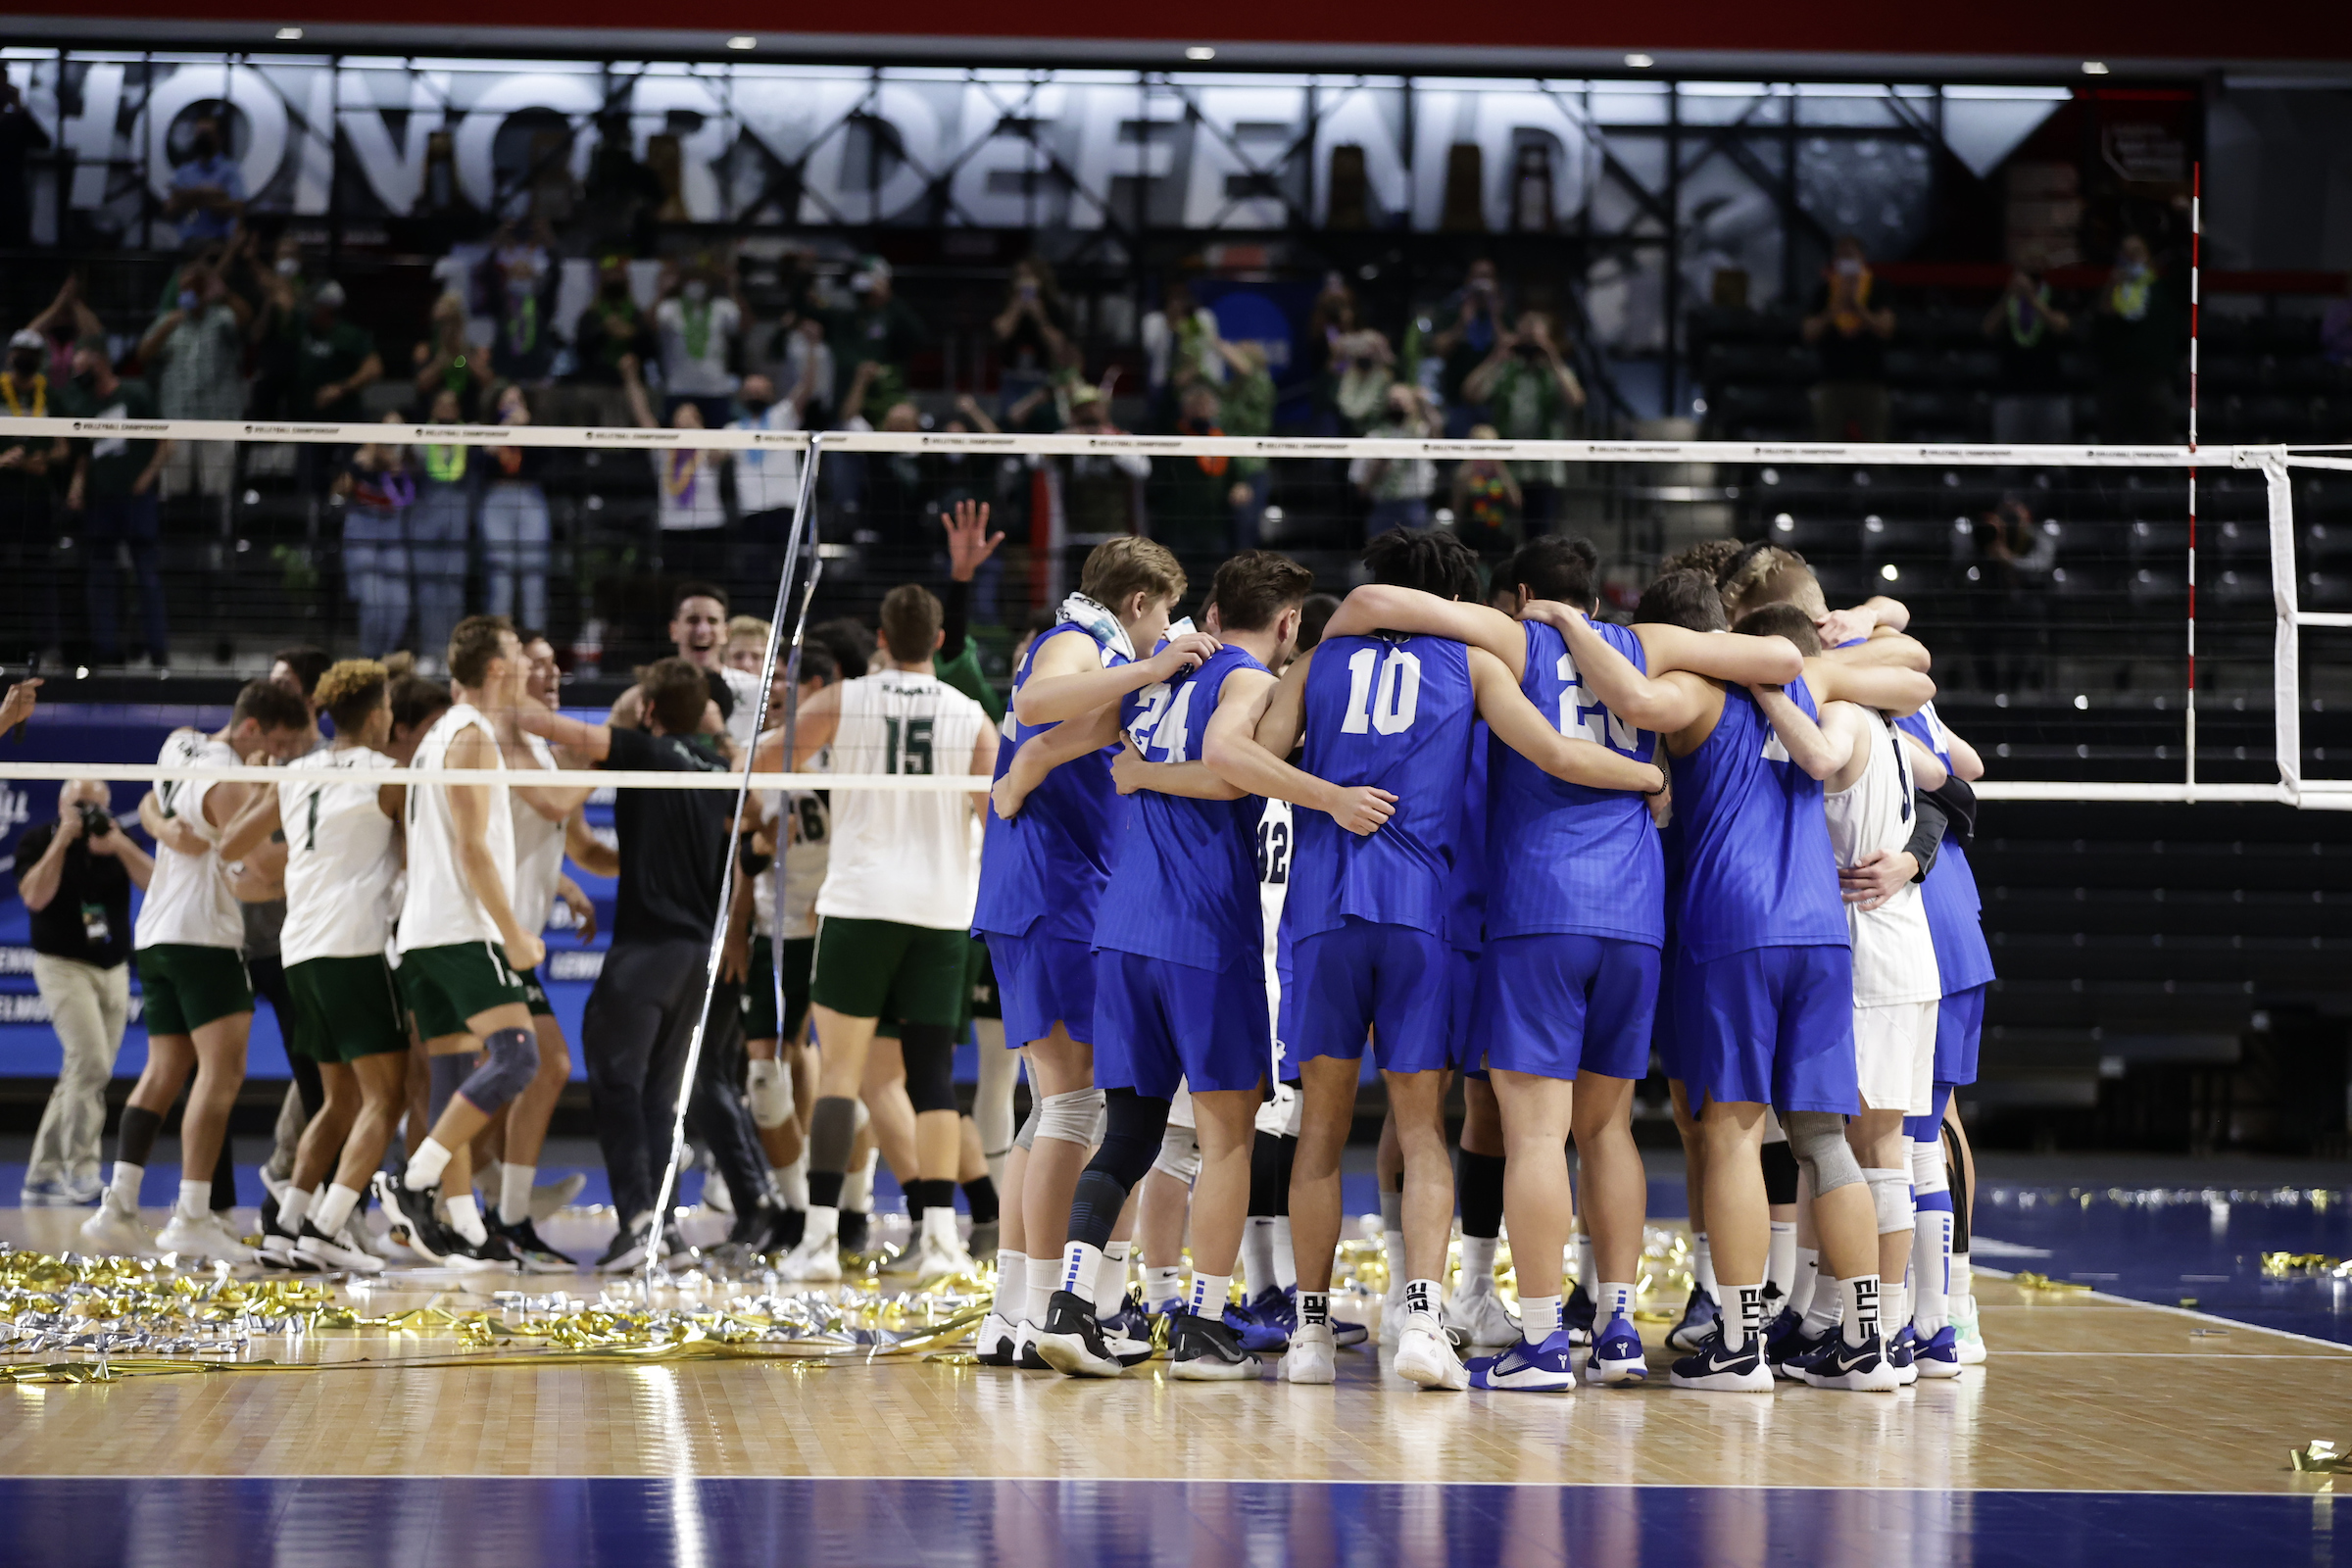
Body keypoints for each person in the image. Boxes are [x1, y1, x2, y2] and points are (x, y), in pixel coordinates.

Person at [1319, 538, 1807, 1390]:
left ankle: (1543, 1341)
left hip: (1539, 909)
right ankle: (1618, 1328)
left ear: (1525, 593)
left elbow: (1366, 608)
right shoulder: (1650, 645)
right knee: (1609, 1128)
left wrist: (1536, 622)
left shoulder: (1513, 639)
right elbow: (1782, 653)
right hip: (1634, 912)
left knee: (1536, 1133)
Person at [1228, 527, 1667, 1390]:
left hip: (1323, 913)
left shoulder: (1319, 660)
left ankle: (1312, 1337)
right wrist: (1650, 780)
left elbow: (1243, 758)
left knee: (1318, 1128)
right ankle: (1424, 1319)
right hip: (1422, 918)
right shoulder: (1473, 665)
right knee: (1424, 1127)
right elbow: (1551, 751)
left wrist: (1327, 796)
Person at [1560, 577, 1933, 1393]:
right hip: (1822, 930)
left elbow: (1624, 692)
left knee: (1730, 1133)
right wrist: (1858, 627)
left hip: (1735, 930)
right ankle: (1870, 1340)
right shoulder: (1811, 677)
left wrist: (1563, 622)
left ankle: (1740, 1344)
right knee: (1824, 1139)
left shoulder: (1692, 692)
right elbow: (1914, 674)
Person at [998, 552, 1321, 1381]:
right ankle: (1204, 1326)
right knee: (1224, 1141)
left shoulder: (1146, 681)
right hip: (1203, 936)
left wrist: (1028, 772)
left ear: (1210, 612)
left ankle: (1067, 1306)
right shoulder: (1250, 681)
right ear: (1287, 624)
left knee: (1128, 1132)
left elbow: (1055, 739)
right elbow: (1227, 763)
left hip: (1120, 933)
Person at [970, 538, 1214, 1363]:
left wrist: (1033, 763)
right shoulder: (1081, 639)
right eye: (1165, 614)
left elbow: (1050, 738)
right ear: (1140, 601)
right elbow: (1041, 700)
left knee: (1054, 1108)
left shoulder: (1104, 660)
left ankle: (1013, 1312)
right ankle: (1045, 1311)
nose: (1168, 632)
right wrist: (1150, 670)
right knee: (1077, 1107)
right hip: (1053, 894)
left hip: (1051, 892)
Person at [760, 584, 998, 1286]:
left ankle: (821, 1241)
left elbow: (774, 756)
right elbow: (995, 818)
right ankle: (942, 1240)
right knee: (931, 1079)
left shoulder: (847, 698)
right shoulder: (969, 714)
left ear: (881, 639)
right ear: (940, 635)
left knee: (841, 1074)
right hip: (939, 911)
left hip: (860, 903)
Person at [514, 655, 780, 1270]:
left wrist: (507, 707)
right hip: (697, 959)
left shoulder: (644, 750)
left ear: (651, 712)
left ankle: (637, 1223)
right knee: (662, 1100)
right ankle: (667, 1230)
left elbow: (573, 735)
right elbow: (760, 828)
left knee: (616, 1085)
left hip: (645, 952)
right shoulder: (720, 766)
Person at [78, 679, 313, 1261]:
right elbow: (260, 867)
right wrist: (312, 840)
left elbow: (159, 808)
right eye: (280, 742)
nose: (283, 755)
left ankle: (118, 1205)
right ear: (254, 727)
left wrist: (162, 828)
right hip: (205, 935)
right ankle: (191, 1214)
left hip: (157, 928)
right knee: (222, 1074)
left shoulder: (180, 743)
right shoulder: (229, 780)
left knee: (165, 1069)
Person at [213, 661, 411, 1273]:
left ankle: (288, 1225)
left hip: (300, 948)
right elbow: (418, 852)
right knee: (388, 1097)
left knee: (339, 1097)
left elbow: (230, 845)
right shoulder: (390, 775)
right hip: (354, 945)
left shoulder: (296, 773)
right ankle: (327, 1229)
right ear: (378, 714)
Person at [370, 616, 550, 1270]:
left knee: (450, 1078)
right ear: (497, 669)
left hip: (422, 931)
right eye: (519, 658)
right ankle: (413, 1179)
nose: (529, 668)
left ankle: (464, 1227)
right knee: (519, 1057)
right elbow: (473, 850)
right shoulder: (470, 736)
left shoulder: (436, 736)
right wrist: (515, 936)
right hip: (459, 930)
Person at [16, 780, 150, 1206]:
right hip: (61, 964)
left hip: (111, 967)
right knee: (89, 1062)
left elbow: (154, 881)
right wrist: (62, 842)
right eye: (80, 805)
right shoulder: (39, 839)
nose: (88, 812)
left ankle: (42, 1174)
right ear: (61, 804)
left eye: (97, 806)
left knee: (86, 1071)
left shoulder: (116, 838)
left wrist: (120, 847)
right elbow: (35, 897)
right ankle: (83, 1168)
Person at [57, 335, 172, 665]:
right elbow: (82, 456)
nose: (79, 375)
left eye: (83, 367)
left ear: (100, 362)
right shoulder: (84, 404)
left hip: (137, 501)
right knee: (101, 578)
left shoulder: (135, 393)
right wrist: (77, 486)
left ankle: (157, 651)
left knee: (147, 576)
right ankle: (106, 651)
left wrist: (147, 477)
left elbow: (167, 441)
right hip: (99, 503)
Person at [137, 253, 251, 510]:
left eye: (193, 286)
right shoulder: (170, 320)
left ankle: (218, 544)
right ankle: (172, 543)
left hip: (219, 416)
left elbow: (246, 318)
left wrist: (222, 293)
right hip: (178, 415)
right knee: (174, 491)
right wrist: (167, 326)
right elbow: (143, 354)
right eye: (183, 287)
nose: (187, 291)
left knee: (217, 493)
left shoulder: (221, 316)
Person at [1461, 312, 1585, 533]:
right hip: (1505, 469)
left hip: (1544, 469)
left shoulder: (1554, 372)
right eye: (1525, 339)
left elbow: (1575, 400)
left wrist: (1553, 358)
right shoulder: (1506, 370)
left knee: (1540, 537)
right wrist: (1497, 357)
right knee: (1498, 533)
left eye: (1535, 341)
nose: (1530, 346)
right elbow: (1471, 393)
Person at [611, 583, 763, 751]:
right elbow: (600, 754)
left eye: (712, 621)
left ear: (726, 632)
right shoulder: (643, 694)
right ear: (674, 630)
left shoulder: (757, 690)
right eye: (693, 620)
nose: (702, 630)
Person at [0, 327, 65, 659]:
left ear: (40, 360)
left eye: (32, 353)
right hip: (1, 494)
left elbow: (65, 447)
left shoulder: (51, 395)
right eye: (19, 351)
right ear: (10, 354)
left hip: (37, 499)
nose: (24, 358)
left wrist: (46, 458)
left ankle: (48, 647)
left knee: (40, 571)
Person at [1803, 235, 1896, 443]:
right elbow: (1809, 332)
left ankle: (1877, 477)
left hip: (1871, 382)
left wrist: (1857, 307)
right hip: (1831, 382)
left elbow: (1886, 329)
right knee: (1827, 447)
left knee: (1877, 446)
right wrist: (1835, 308)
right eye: (1842, 256)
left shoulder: (1878, 289)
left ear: (1861, 257)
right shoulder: (1824, 291)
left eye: (1851, 256)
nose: (1846, 261)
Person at [334, 417, 415, 658]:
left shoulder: (408, 458)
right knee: (373, 603)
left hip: (393, 532)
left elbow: (408, 496)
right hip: (362, 528)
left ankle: (387, 657)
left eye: (399, 427)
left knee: (400, 604)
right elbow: (338, 492)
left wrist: (393, 466)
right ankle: (369, 657)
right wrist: (356, 467)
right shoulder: (360, 459)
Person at [409, 388, 476, 670]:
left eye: (452, 405)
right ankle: (430, 651)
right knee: (428, 589)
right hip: (427, 517)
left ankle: (451, 655)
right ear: (434, 409)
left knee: (453, 589)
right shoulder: (420, 437)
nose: (446, 410)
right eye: (441, 404)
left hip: (458, 518)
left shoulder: (471, 435)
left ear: (458, 410)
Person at [2090, 234, 2180, 445]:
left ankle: (2160, 479)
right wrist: (2112, 286)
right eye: (2126, 253)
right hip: (2117, 379)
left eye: (2136, 252)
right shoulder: (2113, 290)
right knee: (2112, 443)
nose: (2131, 258)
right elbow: (2101, 323)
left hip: (2154, 378)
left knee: (2159, 441)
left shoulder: (2162, 289)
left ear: (2148, 257)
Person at [481, 385, 551, 631]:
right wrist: (506, 427)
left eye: (518, 400)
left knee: (534, 572)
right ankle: (499, 641)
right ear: (496, 406)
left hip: (529, 496)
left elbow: (546, 461)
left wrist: (527, 429)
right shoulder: (485, 431)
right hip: (497, 498)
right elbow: (483, 461)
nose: (513, 405)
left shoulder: (535, 430)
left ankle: (535, 639)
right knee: (501, 575)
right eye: (507, 401)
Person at [1983, 269, 2074, 445]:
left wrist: (2032, 298)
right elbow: (1987, 329)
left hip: (2050, 390)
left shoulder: (2054, 294)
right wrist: (2009, 296)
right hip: (2010, 390)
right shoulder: (2006, 296)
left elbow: (2062, 327)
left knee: (2056, 461)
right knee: (2007, 462)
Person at [653, 258, 743, 429]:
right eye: (691, 279)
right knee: (679, 446)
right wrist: (661, 290)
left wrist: (731, 287)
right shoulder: (670, 307)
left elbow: (745, 326)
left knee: (717, 444)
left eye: (701, 279)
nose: (696, 285)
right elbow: (650, 326)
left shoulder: (723, 307)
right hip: (679, 388)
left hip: (716, 389)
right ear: (682, 282)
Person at [1348, 383, 1439, 536]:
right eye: (1392, 401)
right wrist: (1377, 469)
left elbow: (1438, 434)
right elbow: (1361, 488)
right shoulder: (1373, 438)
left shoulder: (1421, 432)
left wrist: (1424, 405)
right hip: (1383, 508)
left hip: (1414, 507)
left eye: (1401, 401)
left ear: (1412, 405)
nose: (1396, 405)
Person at [164, 116, 245, 245]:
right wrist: (207, 194)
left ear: (219, 138)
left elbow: (238, 206)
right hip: (187, 242)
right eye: (199, 134)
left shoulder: (230, 171)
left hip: (218, 243)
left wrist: (196, 197)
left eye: (207, 134)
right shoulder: (184, 172)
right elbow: (170, 208)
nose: (202, 139)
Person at [0, 79, 53, 248]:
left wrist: (19, 108)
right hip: (12, 194)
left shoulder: (16, 121)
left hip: (11, 195)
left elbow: (43, 141)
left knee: (14, 243)